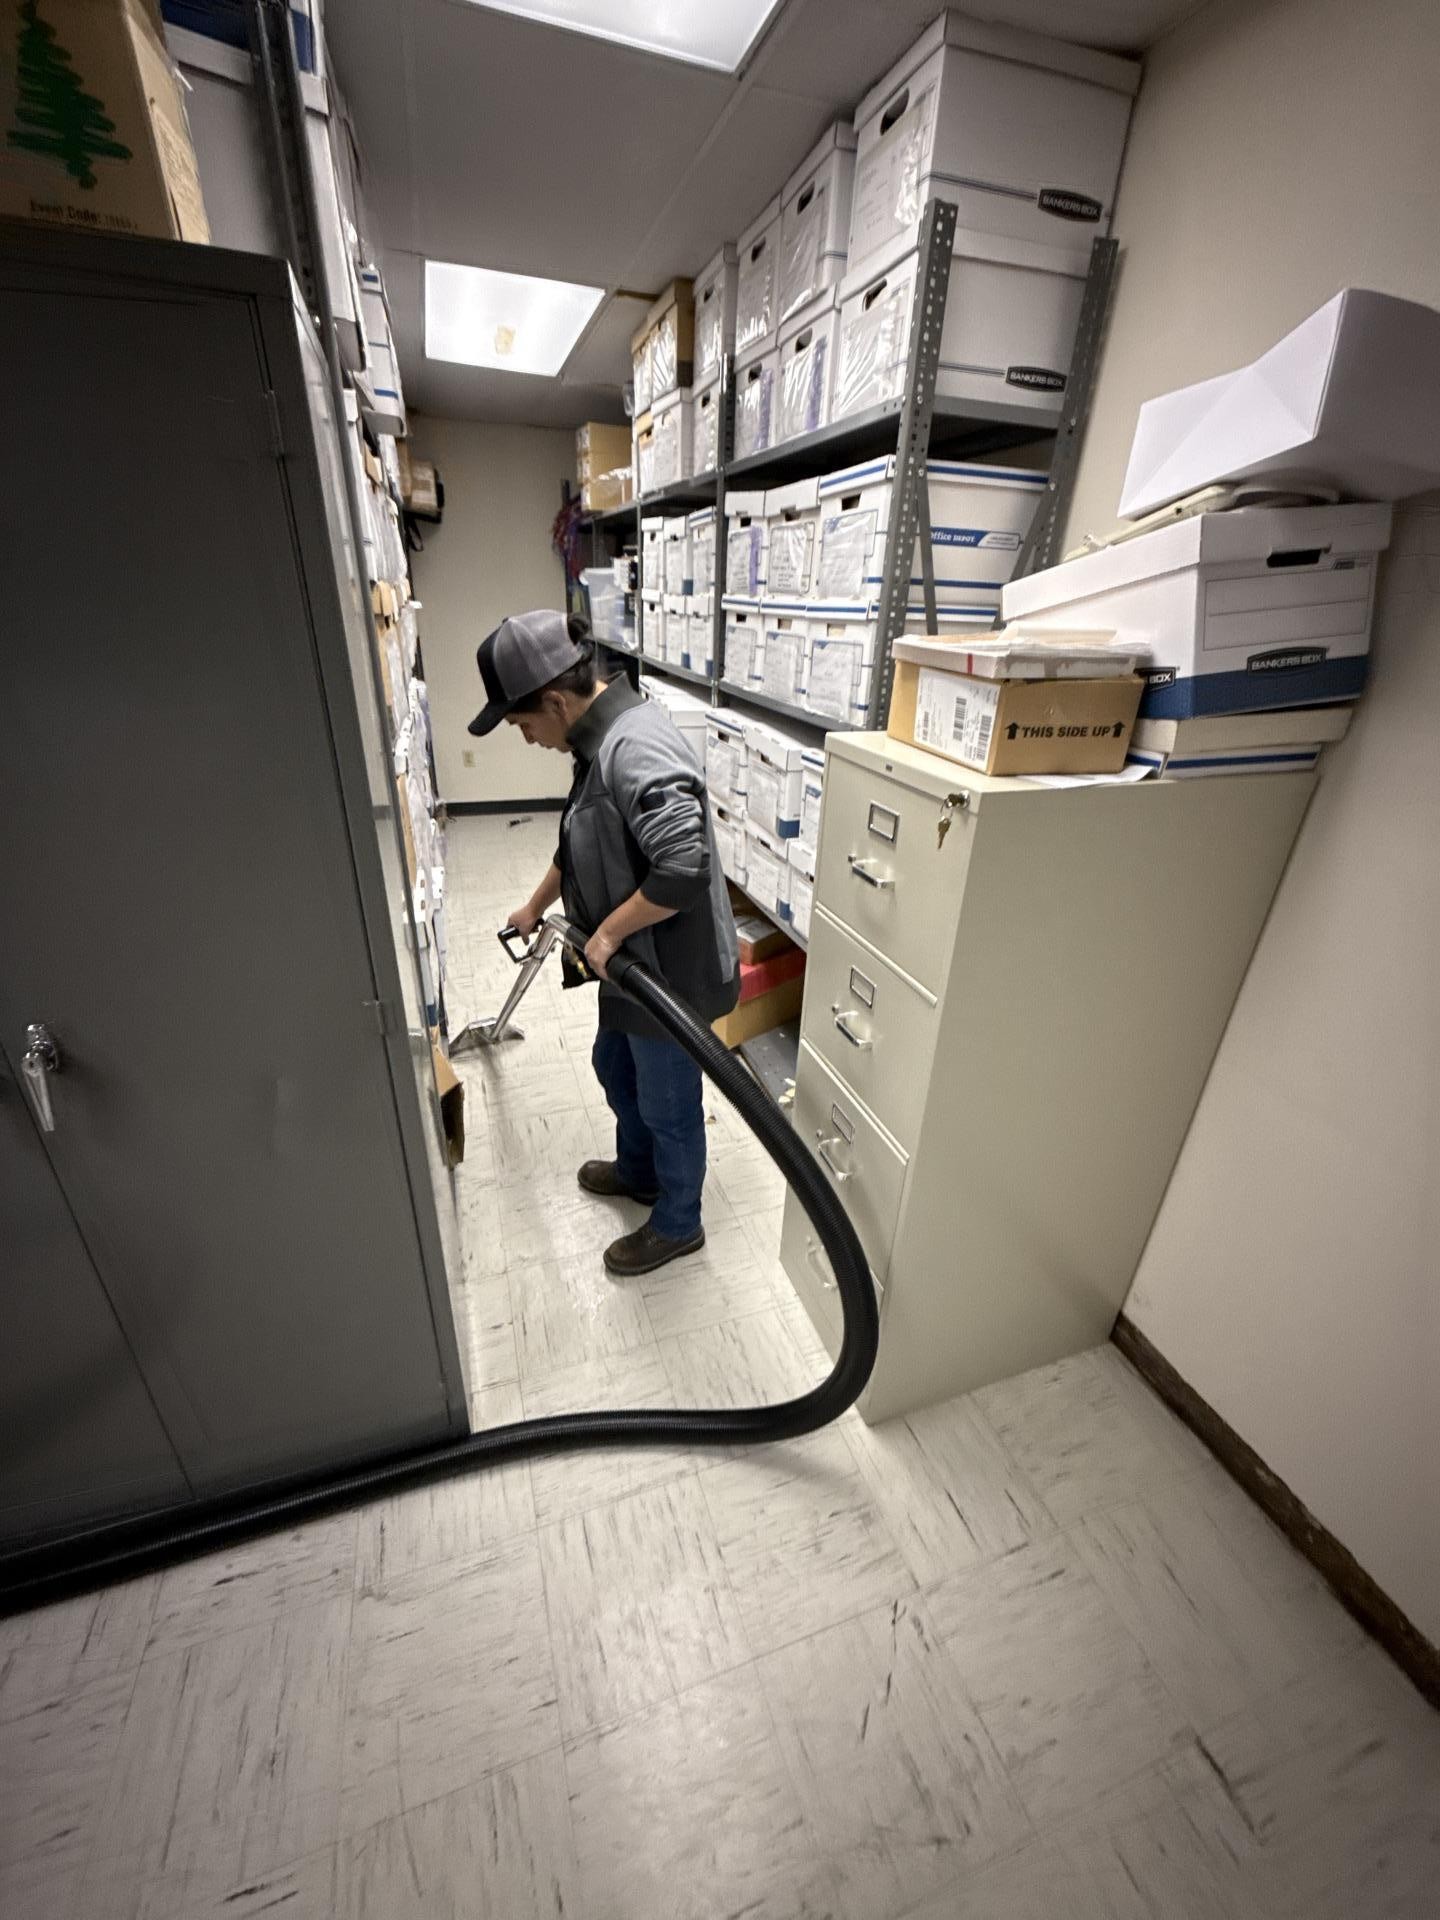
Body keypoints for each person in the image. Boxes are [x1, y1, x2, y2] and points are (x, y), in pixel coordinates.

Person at [468, 608, 740, 1277]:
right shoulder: (596, 742)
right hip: (630, 964)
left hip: (669, 972)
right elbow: (581, 838)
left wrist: (611, 932)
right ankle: (639, 1171)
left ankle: (679, 1222)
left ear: (555, 703)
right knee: (614, 1065)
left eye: (523, 725)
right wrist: (536, 904)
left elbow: (683, 867)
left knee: (668, 1102)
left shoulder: (635, 745)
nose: (527, 739)